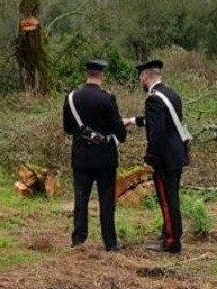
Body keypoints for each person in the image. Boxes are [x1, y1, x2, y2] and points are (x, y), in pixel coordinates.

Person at [123, 60, 190, 254]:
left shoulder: (153, 99)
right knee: (173, 197)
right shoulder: (171, 94)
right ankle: (172, 232)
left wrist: (150, 158)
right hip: (178, 154)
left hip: (165, 159)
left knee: (167, 200)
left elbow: (157, 132)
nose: (141, 83)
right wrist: (133, 121)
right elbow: (162, 122)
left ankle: (171, 242)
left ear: (145, 77)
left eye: (141, 79)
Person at [62, 59, 128, 251]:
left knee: (80, 198)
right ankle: (110, 242)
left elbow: (67, 128)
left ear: (87, 74)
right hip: (105, 159)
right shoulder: (108, 98)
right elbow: (120, 134)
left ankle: (78, 239)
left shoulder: (72, 97)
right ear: (102, 76)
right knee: (107, 202)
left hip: (81, 157)